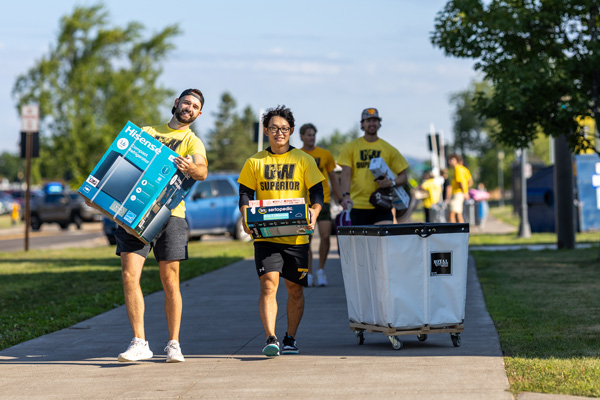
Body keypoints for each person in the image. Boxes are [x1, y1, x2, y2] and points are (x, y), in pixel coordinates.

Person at [115, 88, 208, 363]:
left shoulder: (193, 142)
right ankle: (139, 343)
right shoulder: (145, 132)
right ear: (176, 103)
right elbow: (121, 165)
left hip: (171, 215)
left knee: (170, 281)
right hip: (135, 212)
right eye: (186, 102)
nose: (189, 107)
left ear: (198, 114)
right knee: (130, 276)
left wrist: (191, 168)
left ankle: (173, 344)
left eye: (195, 106)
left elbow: (202, 171)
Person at [238, 105, 324, 357]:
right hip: (266, 235)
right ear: (266, 131)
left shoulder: (304, 160)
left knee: (295, 289)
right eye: (274, 128)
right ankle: (271, 337)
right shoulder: (255, 161)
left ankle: (290, 338)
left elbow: (317, 193)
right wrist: (245, 213)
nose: (279, 133)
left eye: (284, 129)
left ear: (292, 131)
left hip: (297, 237)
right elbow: (245, 193)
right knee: (268, 285)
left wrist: (315, 212)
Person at [338, 108, 409, 225]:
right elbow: (345, 174)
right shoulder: (351, 148)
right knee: (360, 243)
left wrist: (391, 183)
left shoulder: (389, 149)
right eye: (368, 120)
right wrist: (345, 196)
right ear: (362, 124)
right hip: (357, 205)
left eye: (375, 120)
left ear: (379, 123)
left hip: (382, 204)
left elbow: (404, 176)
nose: (372, 124)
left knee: (384, 242)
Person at [299, 123, 343, 287]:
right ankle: (309, 272)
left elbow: (333, 178)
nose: (311, 137)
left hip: (322, 200)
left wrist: (340, 198)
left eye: (313, 135)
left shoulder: (325, 154)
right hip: (303, 202)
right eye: (308, 135)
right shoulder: (298, 154)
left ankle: (321, 270)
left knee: (325, 235)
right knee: (306, 239)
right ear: (302, 136)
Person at [445, 154, 472, 223]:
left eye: (451, 160)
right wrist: (465, 191)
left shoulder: (457, 169)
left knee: (452, 213)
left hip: (457, 193)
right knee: (458, 214)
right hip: (460, 193)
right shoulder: (464, 169)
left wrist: (465, 192)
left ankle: (453, 231)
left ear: (456, 160)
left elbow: (461, 182)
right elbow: (470, 181)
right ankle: (462, 231)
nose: (449, 162)